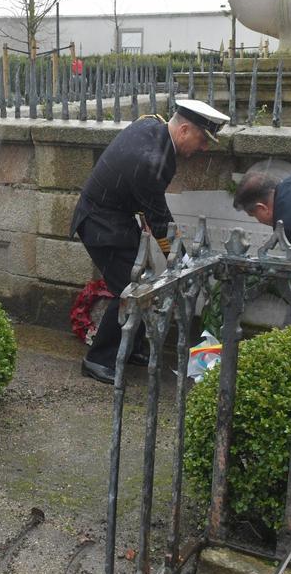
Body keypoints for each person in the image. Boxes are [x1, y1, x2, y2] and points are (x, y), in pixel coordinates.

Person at [70, 98, 229, 384]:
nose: (204, 148)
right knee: (130, 291)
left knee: (144, 282)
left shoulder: (152, 124)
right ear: (183, 130)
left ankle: (131, 348)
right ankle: (98, 359)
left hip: (114, 219)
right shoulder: (152, 161)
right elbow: (160, 220)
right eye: (203, 139)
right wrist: (181, 257)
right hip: (101, 225)